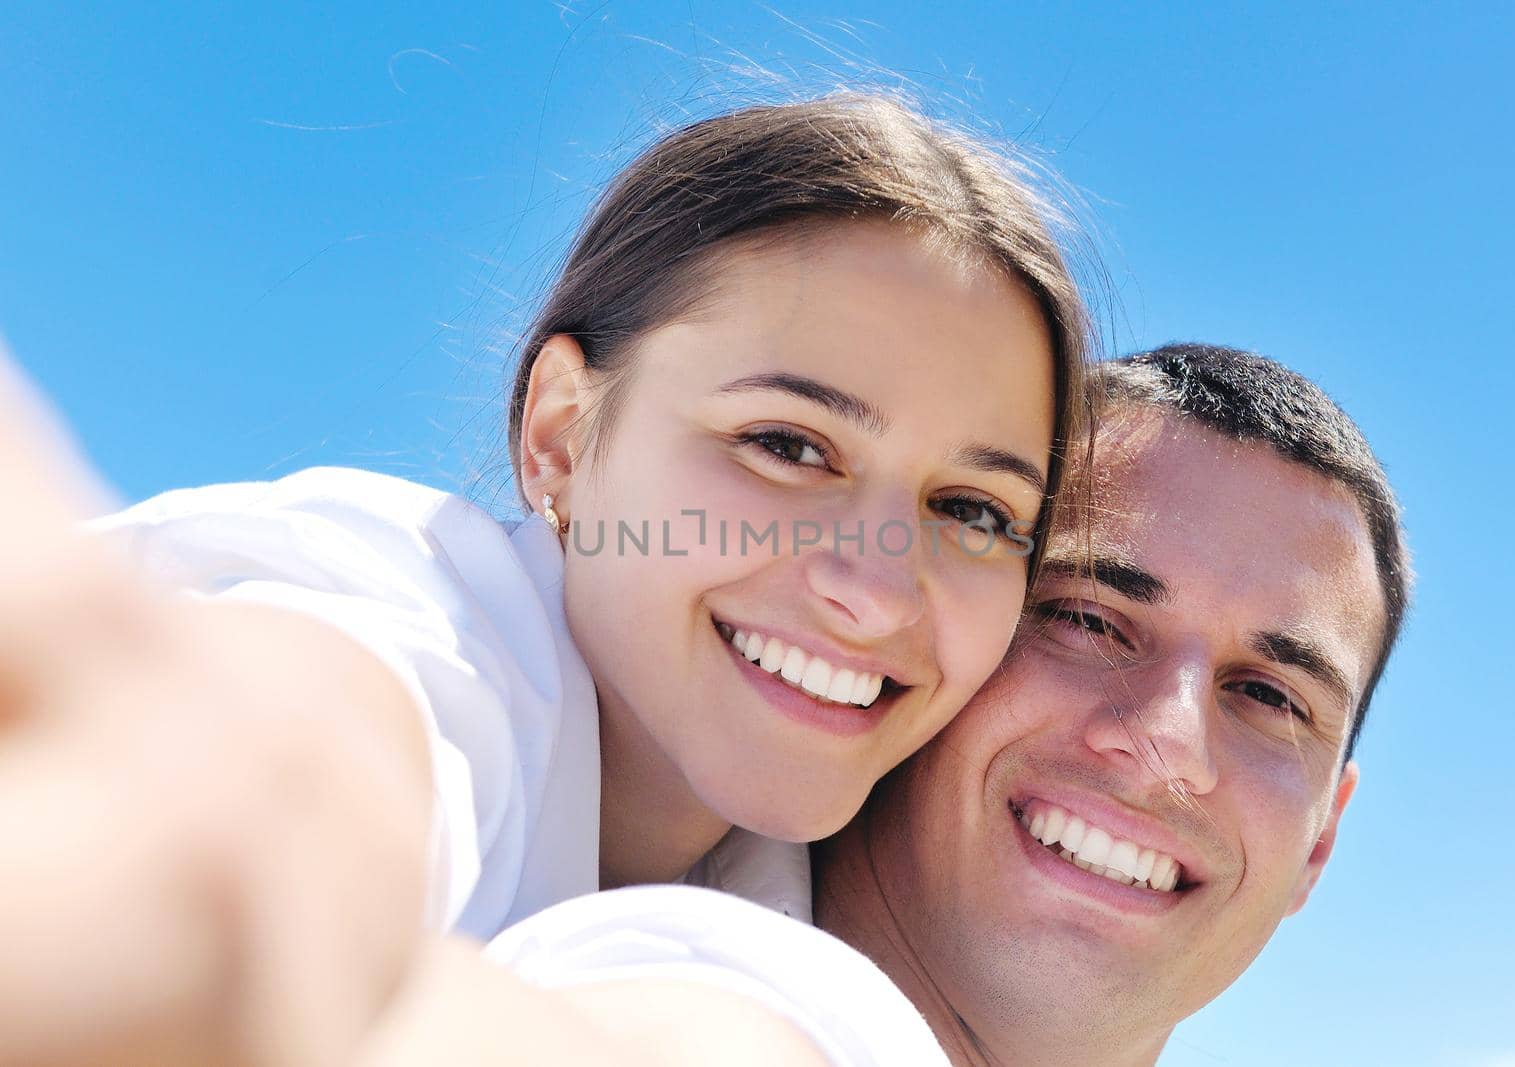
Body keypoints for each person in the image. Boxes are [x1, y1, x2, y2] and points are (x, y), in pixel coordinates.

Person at [0, 92, 1094, 1067]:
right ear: (563, 437)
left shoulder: (796, 886)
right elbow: (276, 783)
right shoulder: (412, 614)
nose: (879, 591)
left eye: (972, 511)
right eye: (787, 445)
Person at [355, 341, 1408, 1067]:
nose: (1167, 738)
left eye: (1269, 693)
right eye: (1087, 618)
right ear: (922, 647)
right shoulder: (679, 973)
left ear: (1322, 836)